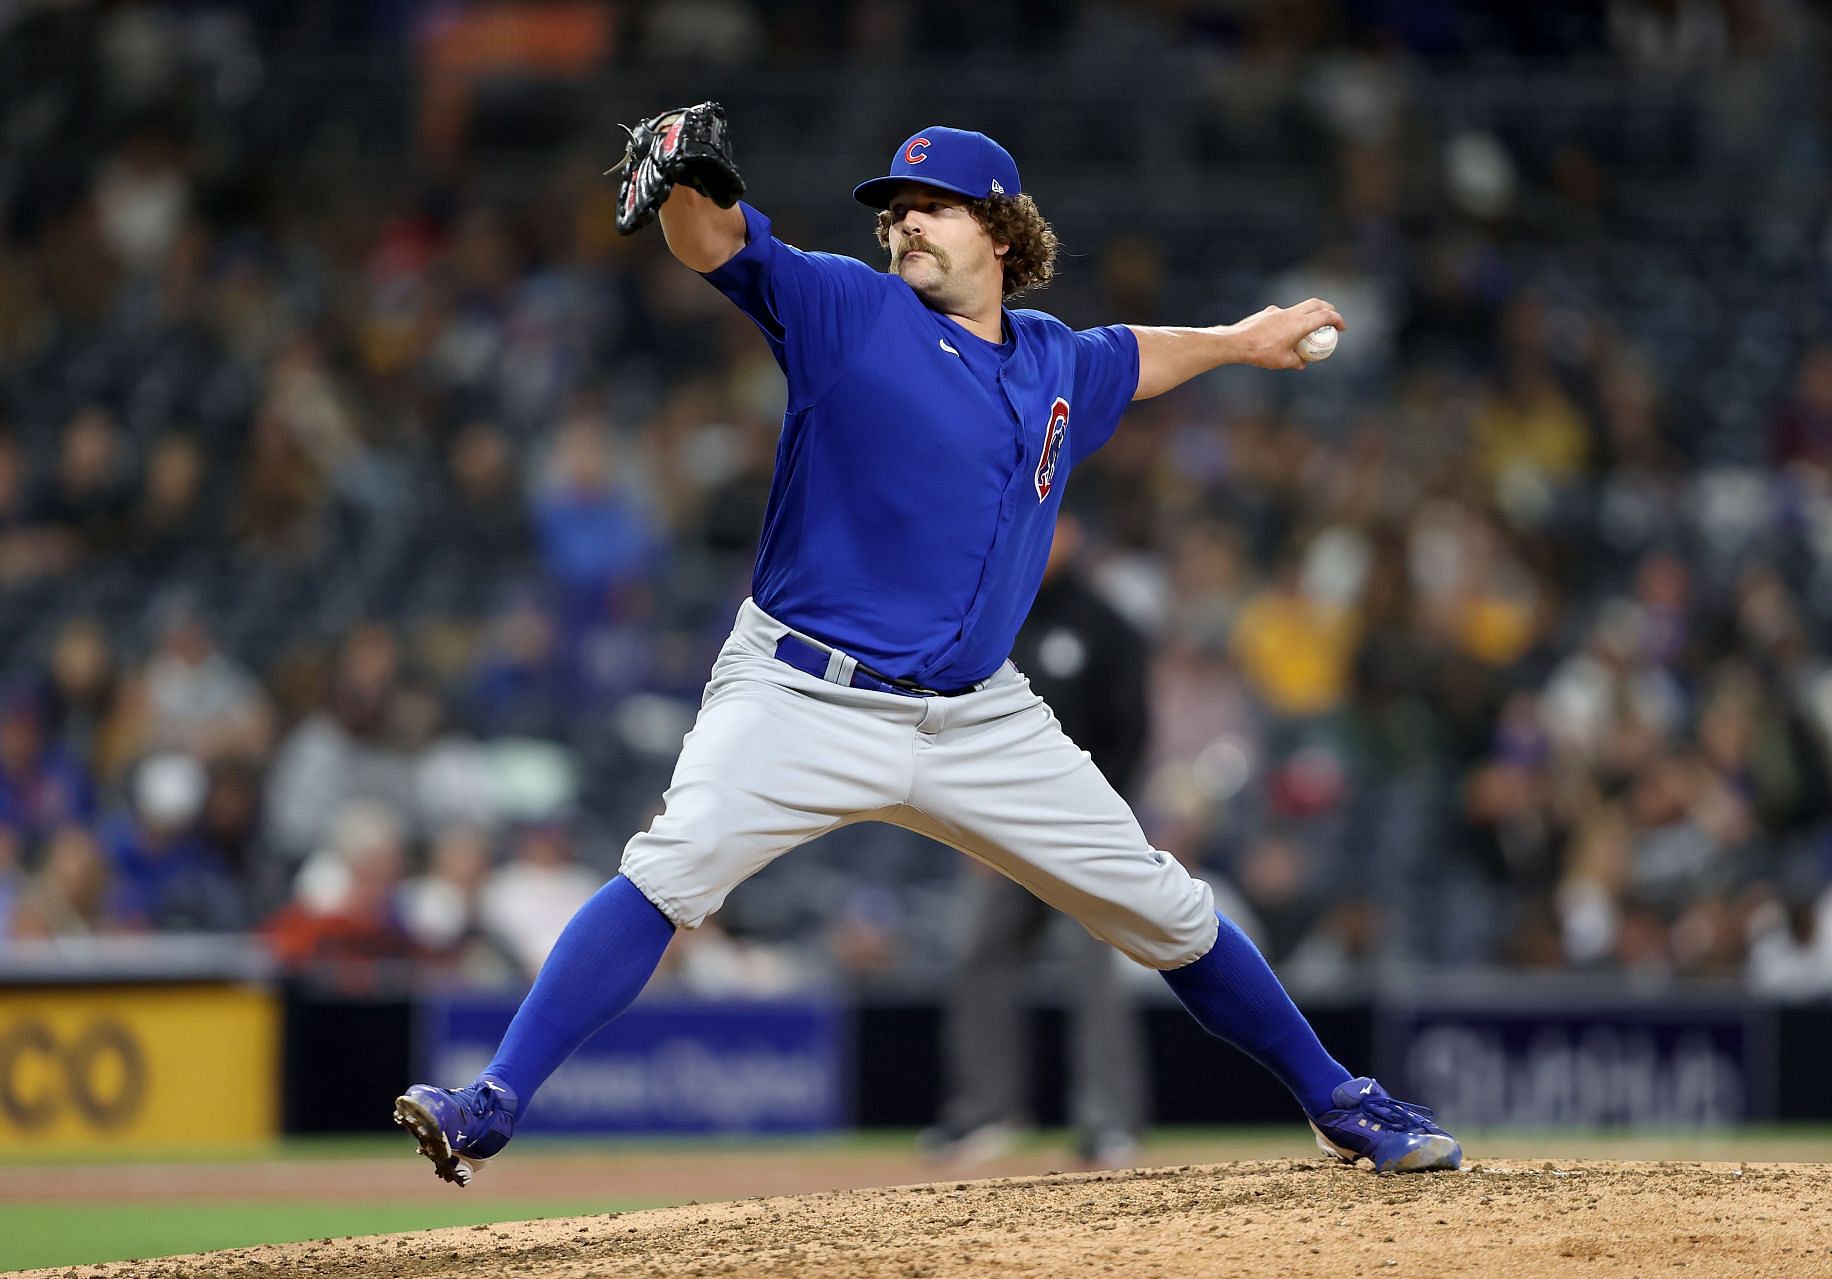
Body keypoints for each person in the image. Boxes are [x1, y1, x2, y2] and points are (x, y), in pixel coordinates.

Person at [394, 108, 1461, 1185]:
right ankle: (492, 1101)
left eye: (931, 207)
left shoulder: (1054, 361)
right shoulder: (849, 310)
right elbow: (718, 242)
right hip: (799, 691)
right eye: (895, 210)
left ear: (1001, 230)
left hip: (977, 712)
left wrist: (1240, 341)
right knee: (671, 867)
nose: (905, 225)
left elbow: (1136, 355)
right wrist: (682, 187)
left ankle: (1337, 1099)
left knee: (1167, 904)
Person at [924, 510, 1152, 1169]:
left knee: (1096, 974)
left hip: (1084, 830)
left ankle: (1109, 1121)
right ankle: (984, 1109)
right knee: (981, 958)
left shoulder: (1106, 625)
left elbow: (1130, 734)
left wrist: (1105, 823)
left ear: (1076, 532)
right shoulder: (996, 610)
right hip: (1004, 831)